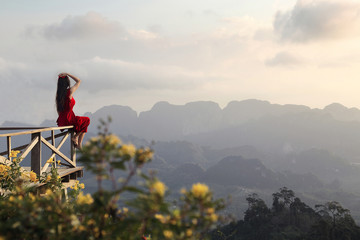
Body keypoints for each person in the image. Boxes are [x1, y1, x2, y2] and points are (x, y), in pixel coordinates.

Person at [56, 73, 90, 149]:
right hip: (69, 118)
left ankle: (76, 138)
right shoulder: (69, 92)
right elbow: (78, 81)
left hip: (62, 119)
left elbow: (58, 109)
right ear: (67, 82)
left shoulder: (58, 95)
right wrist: (68, 73)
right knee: (86, 120)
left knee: (79, 122)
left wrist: (61, 119)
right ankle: (76, 138)